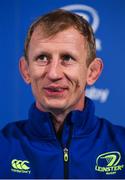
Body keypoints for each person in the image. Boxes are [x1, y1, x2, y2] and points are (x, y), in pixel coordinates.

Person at [0, 9, 125, 179]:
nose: (53, 73)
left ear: (92, 72)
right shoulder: (4, 147)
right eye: (42, 58)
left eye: (67, 58)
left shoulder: (121, 144)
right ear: (26, 70)